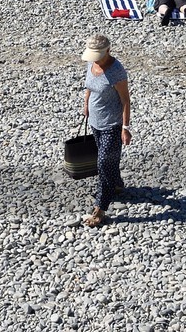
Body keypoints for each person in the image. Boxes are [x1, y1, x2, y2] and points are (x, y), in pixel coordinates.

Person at [80, 34, 132, 228]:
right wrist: (86, 104)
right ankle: (116, 184)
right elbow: (89, 86)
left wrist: (125, 128)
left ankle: (100, 209)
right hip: (95, 122)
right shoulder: (91, 63)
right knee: (108, 160)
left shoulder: (116, 71)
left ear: (108, 51)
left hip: (112, 125)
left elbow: (125, 100)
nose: (95, 59)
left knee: (103, 164)